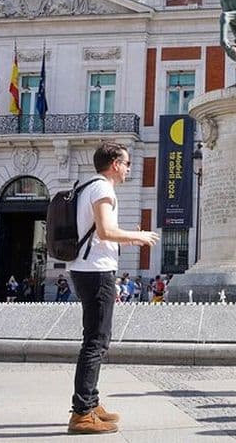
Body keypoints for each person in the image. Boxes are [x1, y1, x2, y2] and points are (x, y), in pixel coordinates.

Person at [67, 142, 159, 434]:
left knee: (94, 338)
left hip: (85, 269)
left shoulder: (88, 186)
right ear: (115, 164)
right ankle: (82, 413)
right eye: (127, 163)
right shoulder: (103, 189)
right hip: (95, 271)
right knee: (96, 342)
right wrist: (139, 236)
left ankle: (91, 403)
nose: (129, 168)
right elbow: (106, 231)